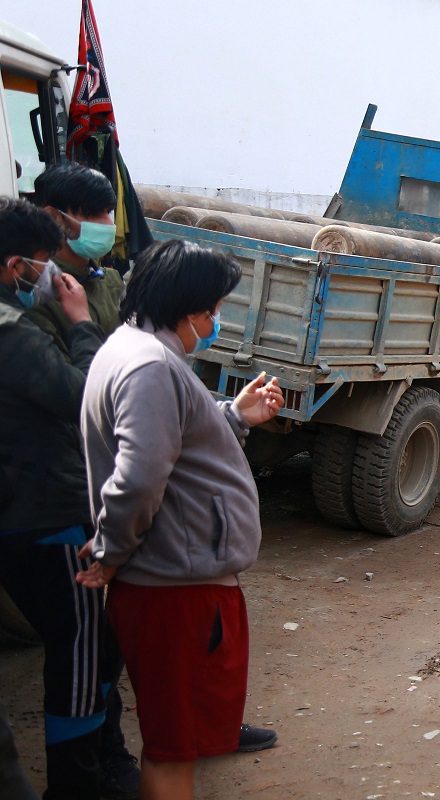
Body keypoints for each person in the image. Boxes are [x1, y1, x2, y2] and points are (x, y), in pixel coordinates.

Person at [75, 239, 284, 800]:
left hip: (176, 585)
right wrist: (110, 552)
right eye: (214, 308)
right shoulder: (149, 365)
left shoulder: (138, 352)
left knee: (176, 742)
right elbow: (139, 476)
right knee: (173, 750)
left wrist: (234, 417)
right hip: (175, 593)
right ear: (191, 309)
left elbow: (174, 439)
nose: (216, 319)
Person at [0, 198, 113, 800]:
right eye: (41, 265)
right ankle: (76, 787)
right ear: (15, 264)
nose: (49, 277)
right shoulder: (15, 338)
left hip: (19, 512)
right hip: (48, 518)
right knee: (78, 660)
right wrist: (80, 324)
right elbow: (84, 395)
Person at [29, 163, 126, 351]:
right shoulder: (37, 292)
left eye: (108, 212)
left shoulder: (111, 282)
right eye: (93, 214)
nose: (108, 224)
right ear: (54, 217)